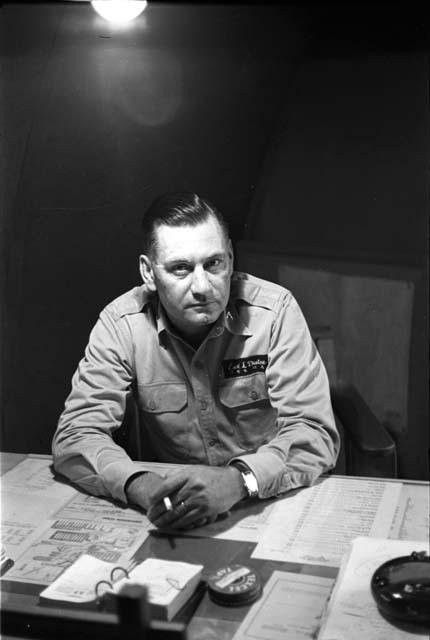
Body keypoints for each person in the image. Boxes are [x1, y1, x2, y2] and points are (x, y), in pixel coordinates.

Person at [52, 192, 339, 530]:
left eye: (214, 264)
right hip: (172, 509)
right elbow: (76, 434)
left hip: (267, 500)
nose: (202, 286)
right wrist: (144, 487)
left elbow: (314, 432)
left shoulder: (275, 313)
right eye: (180, 269)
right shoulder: (121, 325)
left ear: (230, 258)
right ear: (148, 272)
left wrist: (239, 480)